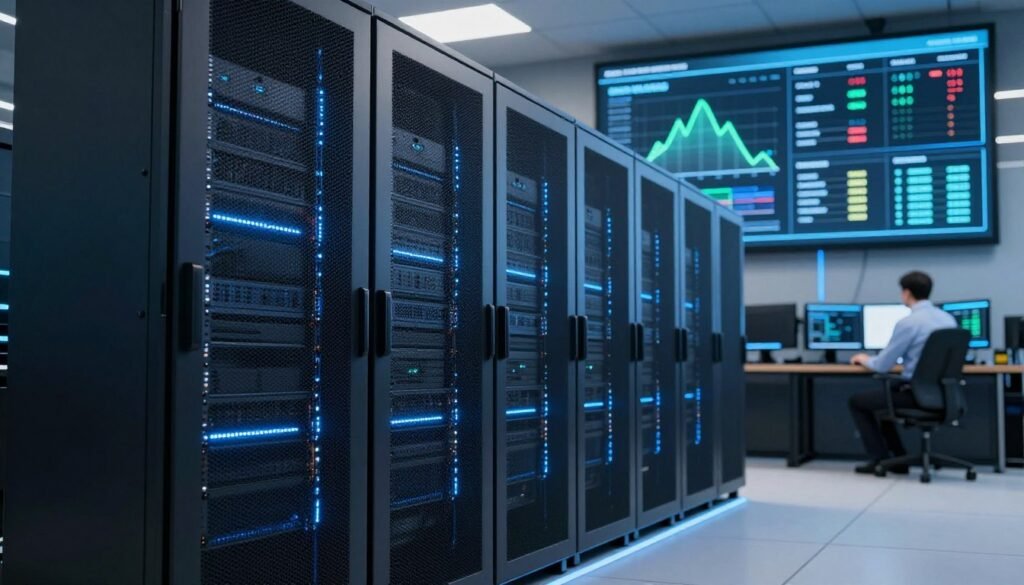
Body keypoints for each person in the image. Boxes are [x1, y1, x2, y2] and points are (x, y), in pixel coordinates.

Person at [847, 271, 957, 474]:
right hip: (946, 395)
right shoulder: (948, 319)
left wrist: (863, 359)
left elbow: (882, 366)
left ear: (906, 293)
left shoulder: (909, 323)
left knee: (859, 401)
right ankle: (898, 458)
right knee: (883, 397)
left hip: (917, 395)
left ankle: (880, 459)